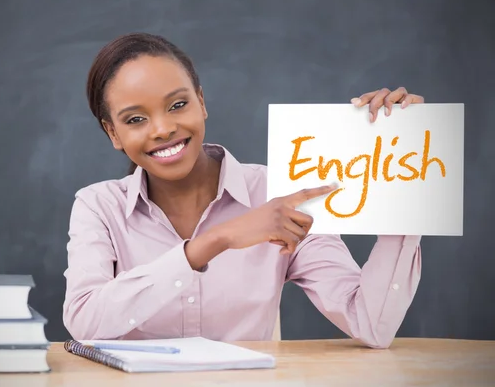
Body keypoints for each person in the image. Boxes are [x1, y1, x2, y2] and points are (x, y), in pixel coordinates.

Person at [62, 32, 424, 349]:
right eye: (135, 119)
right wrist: (217, 240)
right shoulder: (98, 206)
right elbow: (84, 320)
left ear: (201, 103)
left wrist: (397, 181)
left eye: (178, 105)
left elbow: (371, 324)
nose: (162, 129)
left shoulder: (282, 195)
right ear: (113, 133)